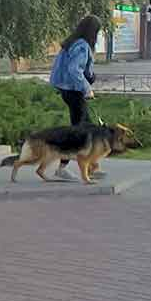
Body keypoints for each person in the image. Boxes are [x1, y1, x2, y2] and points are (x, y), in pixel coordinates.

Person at [49, 15, 101, 181]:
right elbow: (74, 70)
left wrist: (90, 77)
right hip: (74, 91)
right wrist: (86, 89)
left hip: (68, 90)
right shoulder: (82, 46)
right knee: (79, 133)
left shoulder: (71, 42)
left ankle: (91, 166)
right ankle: (62, 168)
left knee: (86, 129)